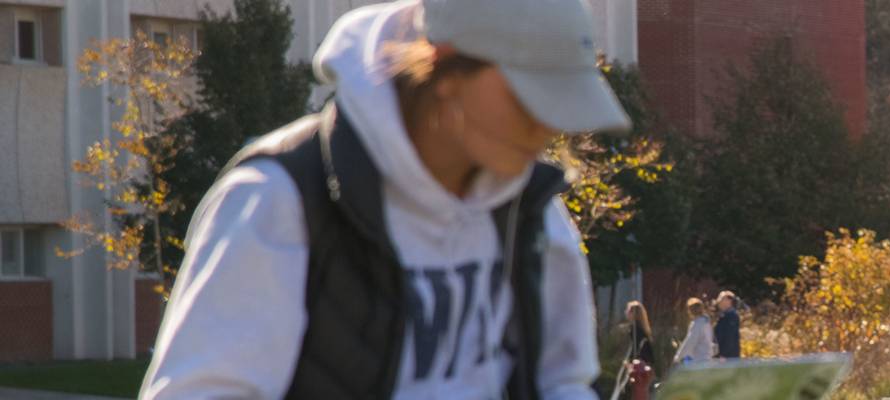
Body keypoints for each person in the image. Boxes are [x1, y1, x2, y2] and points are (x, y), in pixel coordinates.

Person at [140, 0, 625, 398]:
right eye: (529, 98)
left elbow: (562, 385)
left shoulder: (535, 210)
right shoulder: (279, 200)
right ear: (446, 63)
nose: (547, 127)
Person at [611, 302, 657, 400]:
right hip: (646, 364)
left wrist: (629, 362)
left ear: (633, 313)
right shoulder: (643, 329)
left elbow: (634, 348)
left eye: (628, 310)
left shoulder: (634, 329)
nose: (626, 312)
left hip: (638, 367)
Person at [674, 298, 716, 366]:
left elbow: (690, 342)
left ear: (690, 311)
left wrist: (678, 357)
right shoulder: (707, 322)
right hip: (708, 358)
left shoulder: (697, 324)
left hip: (699, 360)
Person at [712, 291, 743, 359]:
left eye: (721, 299)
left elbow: (730, 337)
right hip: (724, 356)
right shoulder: (725, 316)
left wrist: (723, 355)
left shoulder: (731, 316)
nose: (718, 302)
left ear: (728, 300)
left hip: (728, 357)